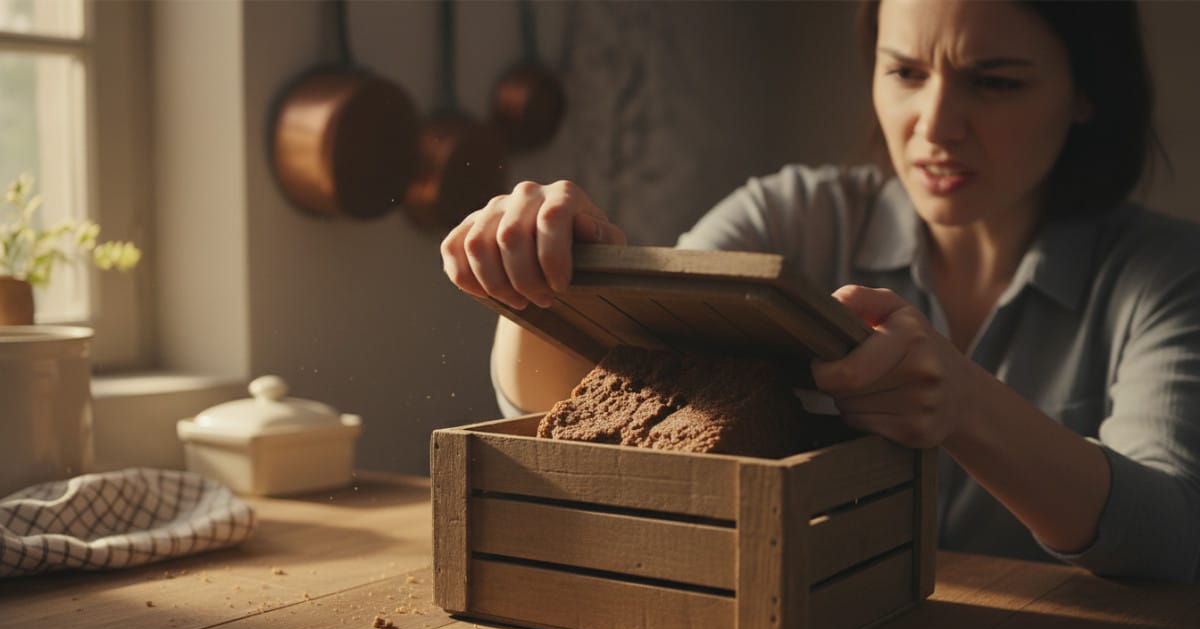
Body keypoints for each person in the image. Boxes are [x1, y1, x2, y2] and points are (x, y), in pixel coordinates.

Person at [440, 0, 1200, 583]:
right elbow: (607, 398)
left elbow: (1172, 537)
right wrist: (554, 281)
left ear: (1087, 92)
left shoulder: (1165, 274)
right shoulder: (787, 216)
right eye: (905, 72)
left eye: (995, 82)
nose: (934, 126)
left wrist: (966, 403)